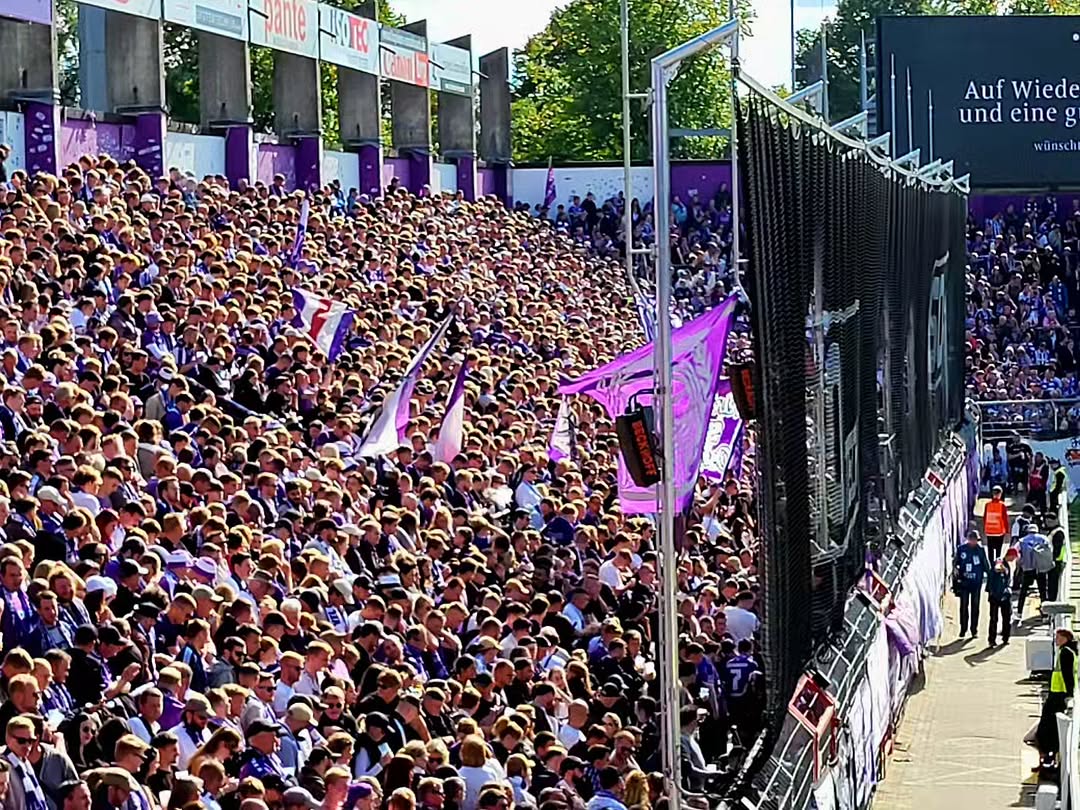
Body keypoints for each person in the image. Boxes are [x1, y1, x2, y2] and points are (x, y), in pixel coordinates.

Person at [1035, 628, 1077, 769]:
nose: (1056, 640)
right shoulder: (1068, 651)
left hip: (1059, 696)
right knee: (1050, 728)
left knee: (1047, 728)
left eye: (1059, 637)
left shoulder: (1066, 653)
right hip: (1058, 694)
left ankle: (1047, 758)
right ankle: (1048, 758)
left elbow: (1068, 676)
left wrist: (1069, 695)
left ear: (1065, 638)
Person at [953, 530, 989, 638]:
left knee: (975, 606)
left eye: (976, 540)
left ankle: (974, 630)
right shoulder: (961, 549)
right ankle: (963, 629)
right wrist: (956, 570)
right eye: (972, 540)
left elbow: (985, 565)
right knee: (963, 606)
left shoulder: (981, 550)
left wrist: (990, 577)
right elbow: (956, 563)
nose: (974, 542)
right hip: (964, 582)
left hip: (976, 583)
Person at [986, 555, 1013, 647]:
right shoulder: (993, 572)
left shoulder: (1006, 569)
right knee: (993, 619)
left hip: (1005, 596)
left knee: (1006, 618)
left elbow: (1008, 581)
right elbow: (990, 582)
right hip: (995, 597)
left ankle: (1006, 637)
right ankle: (991, 640)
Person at [983, 486, 1010, 562]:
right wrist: (1007, 530)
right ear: (1000, 494)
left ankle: (991, 564)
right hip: (999, 532)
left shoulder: (987, 505)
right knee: (998, 550)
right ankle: (997, 564)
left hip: (989, 532)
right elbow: (1005, 518)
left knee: (990, 549)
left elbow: (985, 517)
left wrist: (985, 528)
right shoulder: (1002, 505)